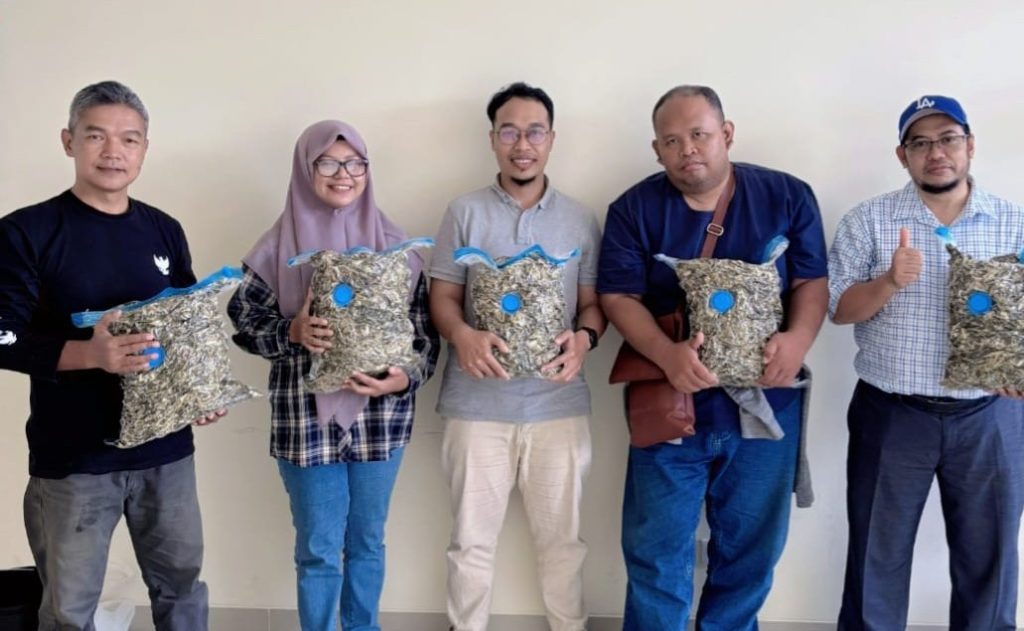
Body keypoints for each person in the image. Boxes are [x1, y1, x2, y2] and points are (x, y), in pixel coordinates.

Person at [597, 84, 828, 630]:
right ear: (657, 149)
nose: (688, 150)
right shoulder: (633, 209)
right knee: (656, 551)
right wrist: (665, 354)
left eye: (699, 134)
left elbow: (812, 280)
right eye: (672, 141)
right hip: (669, 403)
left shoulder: (787, 196)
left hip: (767, 405)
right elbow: (618, 295)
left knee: (751, 550)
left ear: (726, 134)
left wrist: (797, 341)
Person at [0, 80, 216, 630]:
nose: (113, 151)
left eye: (129, 139)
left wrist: (200, 391)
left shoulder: (164, 230)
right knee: (69, 610)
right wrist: (92, 355)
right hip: (74, 458)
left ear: (145, 148)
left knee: (182, 589)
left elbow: (185, 326)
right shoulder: (27, 231)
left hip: (166, 454)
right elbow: (2, 335)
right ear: (68, 141)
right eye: (96, 135)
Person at [228, 119, 438, 631]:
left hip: (380, 417)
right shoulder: (275, 250)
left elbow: (425, 337)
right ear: (305, 169)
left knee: (367, 543)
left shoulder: (399, 250)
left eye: (354, 163)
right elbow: (245, 325)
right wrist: (292, 332)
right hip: (304, 418)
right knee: (319, 548)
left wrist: (403, 379)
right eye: (327, 162)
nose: (343, 173)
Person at [829, 95, 1024, 630]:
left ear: (970, 145)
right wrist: (889, 281)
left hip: (990, 417)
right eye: (920, 143)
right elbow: (839, 310)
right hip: (892, 413)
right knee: (876, 559)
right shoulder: (868, 221)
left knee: (991, 564)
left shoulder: (1014, 223)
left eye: (948, 139)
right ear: (903, 155)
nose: (936, 152)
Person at [428, 82, 605, 631]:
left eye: (534, 132)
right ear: (492, 139)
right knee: (470, 542)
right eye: (509, 132)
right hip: (476, 405)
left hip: (558, 405)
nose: (522, 145)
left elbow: (592, 304)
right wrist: (462, 336)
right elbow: (442, 296)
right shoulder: (464, 212)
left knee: (563, 543)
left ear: (551, 139)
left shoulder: (579, 218)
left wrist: (584, 339)